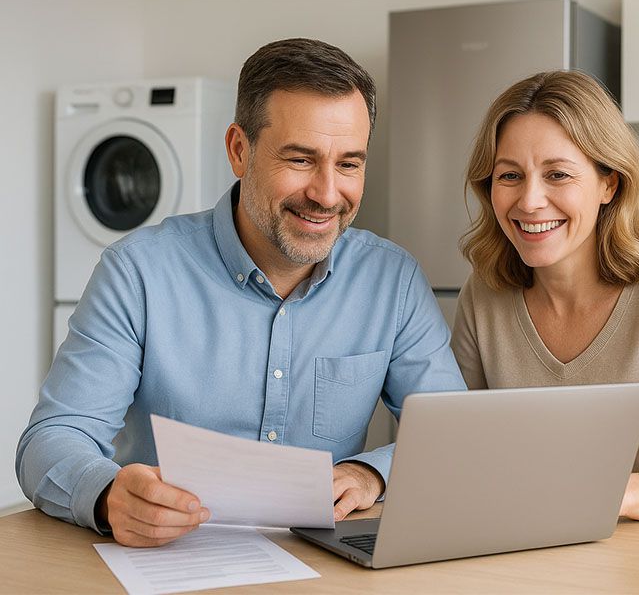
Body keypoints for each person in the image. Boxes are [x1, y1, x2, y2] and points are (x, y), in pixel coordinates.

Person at [17, 38, 465, 547]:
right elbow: (50, 441)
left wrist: (372, 474)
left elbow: (453, 437)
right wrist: (106, 495)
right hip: (168, 563)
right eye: (300, 159)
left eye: (348, 164)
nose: (326, 193)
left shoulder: (393, 281)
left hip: (324, 571)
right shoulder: (137, 271)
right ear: (238, 150)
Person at [451, 70, 639, 522]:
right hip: (523, 545)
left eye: (557, 174)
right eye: (510, 175)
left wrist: (598, 494)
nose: (530, 200)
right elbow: (457, 451)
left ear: (608, 184)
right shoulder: (483, 295)